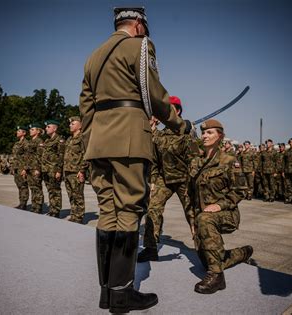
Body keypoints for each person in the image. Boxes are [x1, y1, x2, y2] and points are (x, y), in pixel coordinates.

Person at [79, 7, 191, 313]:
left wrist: (90, 143)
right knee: (129, 211)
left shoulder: (94, 55)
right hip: (129, 137)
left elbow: (85, 107)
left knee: (107, 212)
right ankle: (122, 294)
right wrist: (181, 125)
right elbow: (153, 93)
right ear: (139, 24)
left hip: (98, 142)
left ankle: (107, 292)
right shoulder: (140, 45)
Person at [188, 119, 252, 294]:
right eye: (203, 133)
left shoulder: (229, 160)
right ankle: (243, 252)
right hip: (202, 218)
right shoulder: (196, 162)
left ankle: (217, 278)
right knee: (208, 259)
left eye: (210, 133)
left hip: (227, 214)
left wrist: (219, 205)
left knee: (205, 219)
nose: (205, 136)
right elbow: (191, 196)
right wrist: (192, 222)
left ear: (220, 136)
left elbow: (240, 190)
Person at [138, 96, 198, 262]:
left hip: (184, 179)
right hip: (164, 180)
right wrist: (153, 182)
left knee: (193, 213)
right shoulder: (160, 135)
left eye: (168, 108)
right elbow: (155, 161)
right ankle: (150, 248)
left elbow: (194, 159)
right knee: (152, 209)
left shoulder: (186, 131)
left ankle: (204, 250)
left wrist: (193, 183)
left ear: (177, 111)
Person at [63, 116, 88, 223]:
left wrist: (82, 170)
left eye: (73, 123)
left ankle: (79, 216)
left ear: (80, 125)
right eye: (70, 123)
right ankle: (74, 214)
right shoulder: (69, 139)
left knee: (78, 195)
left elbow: (86, 155)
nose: (70, 125)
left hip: (76, 171)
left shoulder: (82, 138)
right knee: (71, 195)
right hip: (67, 170)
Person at [41, 119, 64, 217]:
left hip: (54, 170)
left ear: (55, 128)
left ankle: (56, 211)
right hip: (46, 170)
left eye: (48, 127)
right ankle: (52, 209)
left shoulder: (59, 140)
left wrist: (59, 171)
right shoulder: (47, 140)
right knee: (50, 190)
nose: (46, 129)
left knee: (56, 191)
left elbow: (61, 156)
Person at [25, 123, 45, 214]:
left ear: (38, 131)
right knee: (32, 188)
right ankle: (34, 205)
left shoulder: (39, 141)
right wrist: (25, 168)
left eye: (32, 129)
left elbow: (40, 156)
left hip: (35, 168)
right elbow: (28, 156)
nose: (30, 131)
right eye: (30, 129)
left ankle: (39, 206)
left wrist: (38, 169)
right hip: (29, 168)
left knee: (37, 188)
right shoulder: (30, 142)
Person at [12, 125, 29, 210]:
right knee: (19, 185)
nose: (17, 132)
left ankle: (23, 203)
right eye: (17, 131)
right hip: (16, 167)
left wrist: (25, 169)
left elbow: (27, 156)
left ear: (24, 133)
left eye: (19, 131)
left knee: (23, 186)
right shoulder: (17, 143)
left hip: (22, 168)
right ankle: (21, 202)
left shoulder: (26, 143)